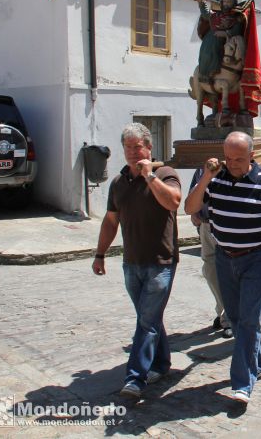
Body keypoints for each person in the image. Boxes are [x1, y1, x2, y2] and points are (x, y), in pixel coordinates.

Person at [185, 131, 261, 404]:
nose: (232, 164)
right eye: (228, 158)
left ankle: (242, 383)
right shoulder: (215, 179)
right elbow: (190, 207)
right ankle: (256, 365)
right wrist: (206, 176)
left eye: (239, 159)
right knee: (236, 317)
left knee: (250, 319)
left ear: (252, 157)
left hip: (256, 257)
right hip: (224, 257)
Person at [93, 123, 182, 399]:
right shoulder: (119, 182)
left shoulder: (165, 174)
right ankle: (162, 363)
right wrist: (100, 254)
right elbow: (110, 221)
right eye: (128, 147)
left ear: (149, 147)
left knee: (146, 320)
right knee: (149, 317)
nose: (133, 152)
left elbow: (174, 202)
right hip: (131, 262)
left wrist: (150, 177)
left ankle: (135, 377)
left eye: (138, 146)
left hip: (161, 261)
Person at [188, 170, 232, 338]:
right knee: (210, 271)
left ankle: (228, 316)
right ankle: (224, 310)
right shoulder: (201, 169)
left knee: (228, 272)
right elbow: (194, 192)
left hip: (227, 225)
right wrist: (193, 212)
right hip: (206, 225)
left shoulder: (232, 164)